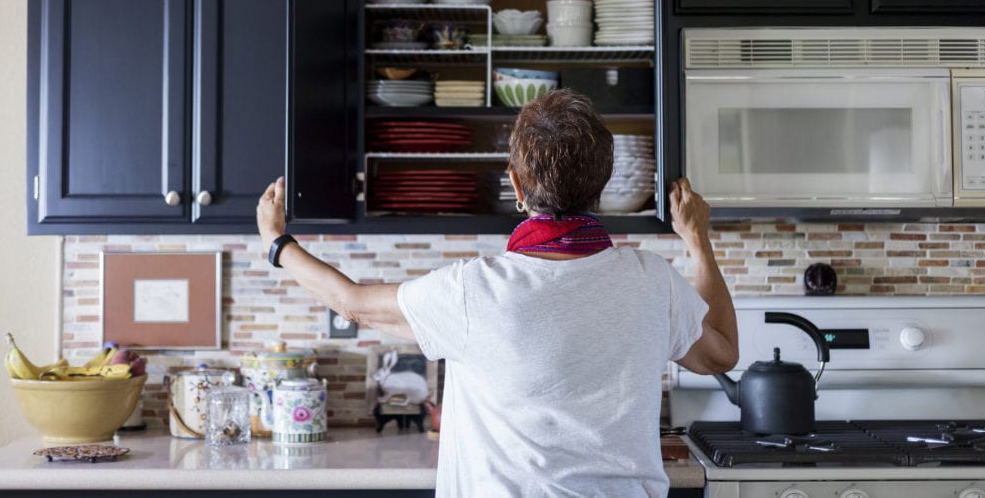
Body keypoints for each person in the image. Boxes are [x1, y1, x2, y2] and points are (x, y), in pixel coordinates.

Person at [257, 88, 738, 497]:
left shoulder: (472, 291)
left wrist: (278, 243)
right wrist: (697, 239)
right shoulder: (652, 280)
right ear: (604, 184)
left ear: (516, 185)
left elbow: (352, 303)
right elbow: (720, 353)